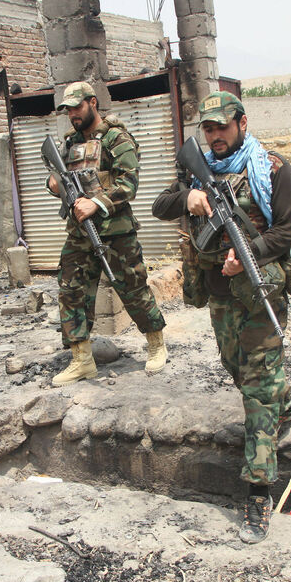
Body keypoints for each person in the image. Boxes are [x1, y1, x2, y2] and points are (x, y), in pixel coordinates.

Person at [152, 91, 291, 544]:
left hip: (258, 293)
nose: (214, 135)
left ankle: (257, 494)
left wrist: (245, 253)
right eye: (207, 129)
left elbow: (285, 233)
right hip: (218, 293)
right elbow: (159, 205)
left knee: (255, 387)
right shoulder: (193, 172)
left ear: (242, 122)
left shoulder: (274, 169)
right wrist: (190, 198)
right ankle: (286, 403)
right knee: (237, 368)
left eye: (222, 126)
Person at [45, 81, 167, 386]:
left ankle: (156, 345)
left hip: (116, 232)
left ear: (93, 103)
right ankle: (82, 360)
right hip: (79, 233)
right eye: (68, 109)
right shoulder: (69, 143)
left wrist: (96, 202)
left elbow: (129, 184)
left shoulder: (117, 137)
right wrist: (54, 185)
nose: (72, 114)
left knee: (133, 288)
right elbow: (56, 178)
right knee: (70, 291)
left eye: (77, 107)